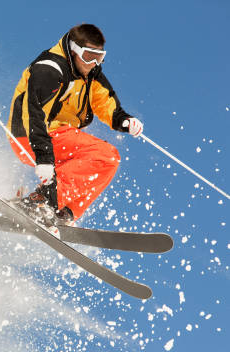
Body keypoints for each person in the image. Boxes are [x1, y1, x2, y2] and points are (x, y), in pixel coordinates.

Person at [7, 23, 143, 226]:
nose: (93, 63)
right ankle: (42, 201)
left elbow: (104, 101)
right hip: (31, 136)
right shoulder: (49, 70)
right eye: (89, 56)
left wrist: (123, 120)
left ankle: (64, 212)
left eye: (99, 57)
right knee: (105, 156)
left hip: (57, 135)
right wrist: (44, 157)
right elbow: (33, 114)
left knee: (108, 162)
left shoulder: (90, 73)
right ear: (73, 50)